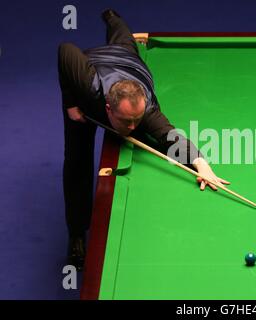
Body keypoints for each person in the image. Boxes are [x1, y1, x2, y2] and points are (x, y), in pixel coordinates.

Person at [58, 9, 229, 270]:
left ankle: (112, 17)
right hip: (89, 77)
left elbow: (170, 137)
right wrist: (71, 103)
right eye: (127, 121)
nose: (134, 126)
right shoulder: (88, 87)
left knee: (124, 41)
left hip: (127, 62)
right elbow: (66, 49)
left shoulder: (145, 111)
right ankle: (77, 234)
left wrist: (201, 165)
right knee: (77, 159)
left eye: (137, 119)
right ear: (108, 109)